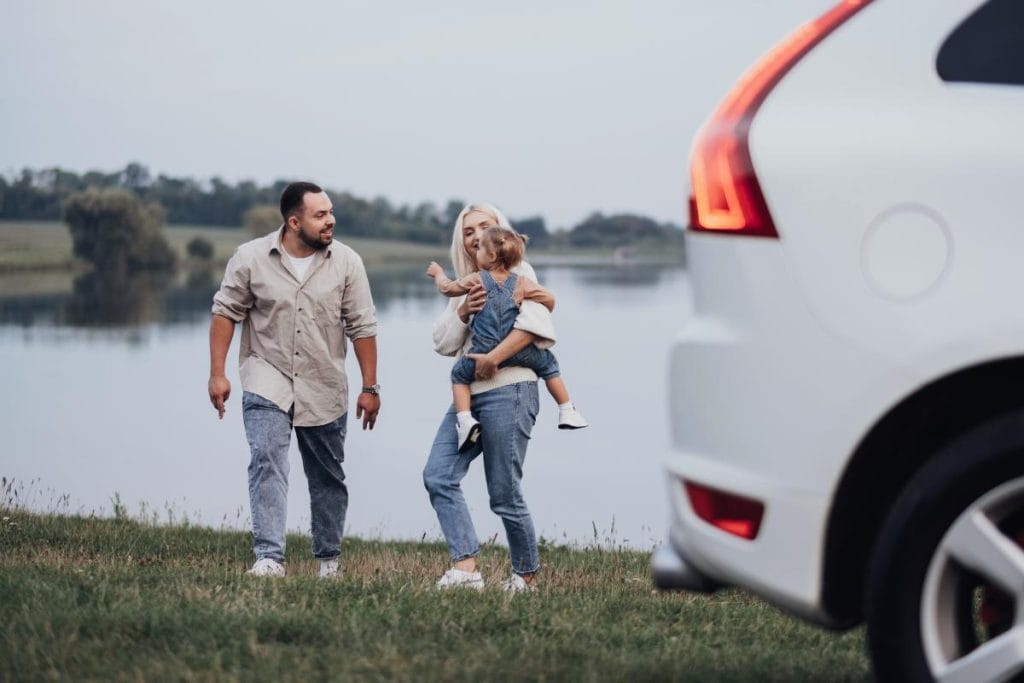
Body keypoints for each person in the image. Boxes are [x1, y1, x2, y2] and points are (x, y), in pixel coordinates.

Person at [207, 181, 380, 579]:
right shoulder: (250, 258)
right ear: (293, 221)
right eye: (321, 215)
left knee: (327, 475)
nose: (331, 220)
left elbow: (363, 327)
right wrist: (217, 373)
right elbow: (225, 312)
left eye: (331, 212)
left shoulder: (347, 262)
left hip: (324, 383)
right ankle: (269, 557)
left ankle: (328, 561)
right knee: (266, 458)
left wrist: (371, 387)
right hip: (266, 377)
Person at [422, 202, 559, 593]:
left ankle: (525, 576)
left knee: (503, 492)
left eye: (485, 226)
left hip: (511, 389)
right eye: (469, 231)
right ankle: (466, 570)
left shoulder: (521, 273)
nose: (477, 235)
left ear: (502, 232)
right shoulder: (468, 282)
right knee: (438, 475)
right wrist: (463, 310)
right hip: (469, 398)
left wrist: (492, 359)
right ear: (463, 242)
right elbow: (444, 343)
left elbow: (536, 326)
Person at [426, 226, 587, 452]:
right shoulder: (521, 282)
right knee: (549, 365)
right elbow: (550, 299)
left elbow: (447, 288)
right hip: (517, 352)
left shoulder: (476, 280)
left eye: (481, 247)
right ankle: (567, 409)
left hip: (482, 352)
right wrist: (532, 302)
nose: (477, 250)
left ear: (491, 256)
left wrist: (437, 273)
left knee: (458, 375)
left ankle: (465, 422)